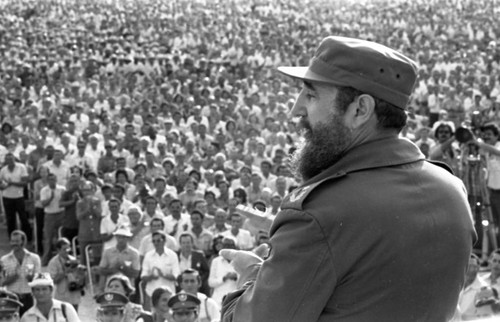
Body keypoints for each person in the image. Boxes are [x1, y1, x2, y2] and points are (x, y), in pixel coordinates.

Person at [219, 36, 475, 321]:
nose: (296, 109)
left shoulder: (319, 214)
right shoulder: (452, 190)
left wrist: (252, 277)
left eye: (311, 94)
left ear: (360, 110)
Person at [1, 230, 41, 316]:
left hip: (28, 297)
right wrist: (13, 277)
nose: (14, 243)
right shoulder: (4, 260)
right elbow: (1, 282)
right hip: (11, 297)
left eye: (17, 241)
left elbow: (39, 279)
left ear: (23, 241)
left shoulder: (34, 258)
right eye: (12, 241)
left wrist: (31, 278)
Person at [141, 231, 180, 311]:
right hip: (151, 293)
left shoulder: (172, 255)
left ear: (164, 241)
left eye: (158, 240)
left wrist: (163, 275)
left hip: (168, 295)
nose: (156, 243)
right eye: (154, 241)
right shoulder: (148, 255)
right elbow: (143, 276)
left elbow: (176, 276)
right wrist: (151, 276)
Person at [0, 152, 31, 243]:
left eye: (11, 159)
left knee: (23, 218)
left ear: (14, 159)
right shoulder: (3, 170)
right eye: (8, 159)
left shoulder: (21, 167)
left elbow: (24, 183)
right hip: (7, 197)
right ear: (5, 160)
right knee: (10, 219)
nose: (10, 161)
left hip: (19, 197)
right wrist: (4, 186)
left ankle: (27, 238)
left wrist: (11, 183)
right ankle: (12, 239)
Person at [47, 238, 84, 311]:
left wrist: (81, 274)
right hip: (62, 296)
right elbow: (52, 281)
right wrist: (65, 272)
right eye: (64, 249)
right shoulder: (53, 262)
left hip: (74, 294)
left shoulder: (73, 260)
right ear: (58, 250)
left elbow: (79, 278)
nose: (67, 251)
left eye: (68, 248)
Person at [40, 173, 66, 265]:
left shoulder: (62, 189)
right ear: (47, 181)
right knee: (48, 238)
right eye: (50, 179)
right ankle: (46, 259)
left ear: (56, 180)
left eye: (53, 179)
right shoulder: (44, 190)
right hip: (49, 215)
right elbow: (43, 204)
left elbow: (64, 201)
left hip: (61, 214)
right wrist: (51, 198)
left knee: (62, 238)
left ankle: (64, 259)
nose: (52, 181)